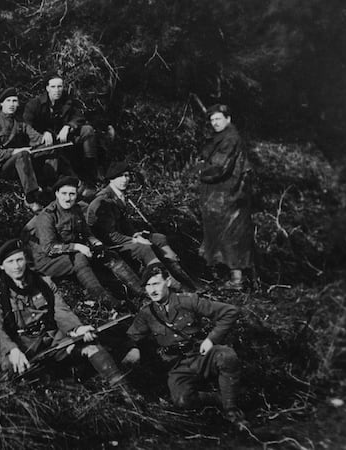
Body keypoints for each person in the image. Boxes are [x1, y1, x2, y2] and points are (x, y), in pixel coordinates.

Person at [0, 239, 130, 391]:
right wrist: (12, 350)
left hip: (54, 340)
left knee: (91, 346)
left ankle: (126, 393)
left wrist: (76, 329)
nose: (16, 266)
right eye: (10, 262)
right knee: (12, 372)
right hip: (24, 347)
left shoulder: (43, 282)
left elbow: (60, 310)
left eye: (20, 259)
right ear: (2, 266)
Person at [122, 264, 248, 429]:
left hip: (202, 355)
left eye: (156, 284)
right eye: (148, 286)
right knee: (182, 400)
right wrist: (134, 348)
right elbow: (132, 336)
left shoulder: (187, 301)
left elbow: (230, 311)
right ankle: (221, 397)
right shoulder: (147, 314)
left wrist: (211, 339)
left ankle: (231, 410)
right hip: (176, 364)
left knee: (227, 356)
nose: (152, 290)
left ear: (167, 282)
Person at [23, 176, 144, 312]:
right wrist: (76, 246)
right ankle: (105, 300)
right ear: (57, 194)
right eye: (64, 194)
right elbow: (49, 248)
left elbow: (86, 232)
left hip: (69, 253)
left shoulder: (76, 209)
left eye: (72, 194)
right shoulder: (47, 216)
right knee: (80, 257)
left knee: (109, 254)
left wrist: (96, 243)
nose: (68, 198)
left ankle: (141, 291)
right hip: (46, 261)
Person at [86, 161, 201, 291]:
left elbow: (124, 222)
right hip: (110, 244)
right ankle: (175, 285)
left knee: (160, 238)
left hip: (122, 237)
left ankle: (184, 278)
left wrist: (135, 233)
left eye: (127, 175)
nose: (125, 179)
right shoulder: (103, 201)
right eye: (120, 176)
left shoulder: (118, 195)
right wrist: (135, 240)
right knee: (144, 248)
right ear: (111, 179)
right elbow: (110, 235)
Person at [0, 87, 74, 212]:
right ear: (1, 103)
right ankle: (30, 198)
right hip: (3, 167)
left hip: (22, 162)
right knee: (22, 154)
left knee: (50, 148)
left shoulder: (19, 122)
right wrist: (14, 152)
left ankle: (49, 184)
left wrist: (46, 135)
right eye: (8, 101)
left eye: (14, 101)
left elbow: (36, 138)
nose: (12, 104)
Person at [197, 104, 254, 290]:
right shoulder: (224, 137)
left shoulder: (230, 138)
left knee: (230, 235)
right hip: (225, 194)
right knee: (225, 234)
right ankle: (227, 275)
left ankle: (236, 280)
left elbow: (220, 167)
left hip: (227, 195)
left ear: (228, 119)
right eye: (212, 120)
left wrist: (199, 171)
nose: (215, 123)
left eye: (218, 119)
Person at [23, 75, 109, 187]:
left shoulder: (68, 100)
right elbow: (27, 126)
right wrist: (43, 133)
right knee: (52, 166)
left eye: (60, 86)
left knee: (87, 130)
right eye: (53, 87)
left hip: (64, 138)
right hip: (43, 142)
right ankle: (52, 185)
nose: (57, 90)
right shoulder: (34, 104)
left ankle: (91, 169)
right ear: (47, 88)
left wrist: (68, 126)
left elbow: (79, 117)